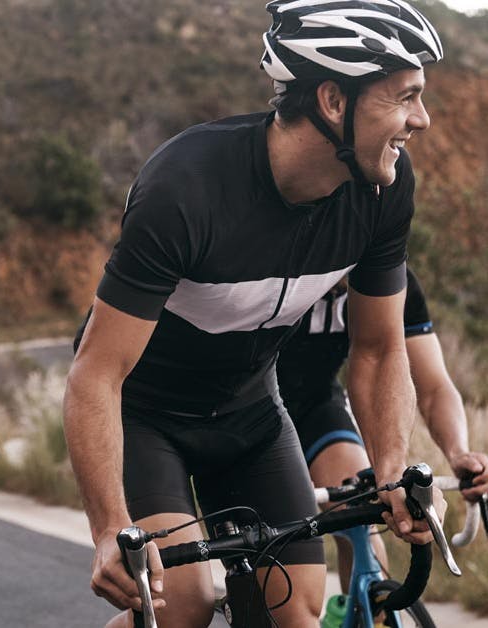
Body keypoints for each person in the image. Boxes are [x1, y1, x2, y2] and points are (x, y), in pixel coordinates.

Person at [64, 1, 447, 626]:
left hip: (251, 415)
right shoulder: (186, 189)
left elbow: (378, 349)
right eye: (405, 97)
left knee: (295, 614)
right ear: (332, 101)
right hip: (146, 417)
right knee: (181, 603)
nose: (422, 120)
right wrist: (110, 528)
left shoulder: (385, 189)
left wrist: (391, 472)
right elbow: (96, 373)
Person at [279, 267, 488, 591]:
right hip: (243, 408)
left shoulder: (389, 278)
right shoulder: (279, 264)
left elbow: (433, 388)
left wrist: (459, 453)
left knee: (362, 516)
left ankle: (362, 610)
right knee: (282, 574)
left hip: (315, 406)